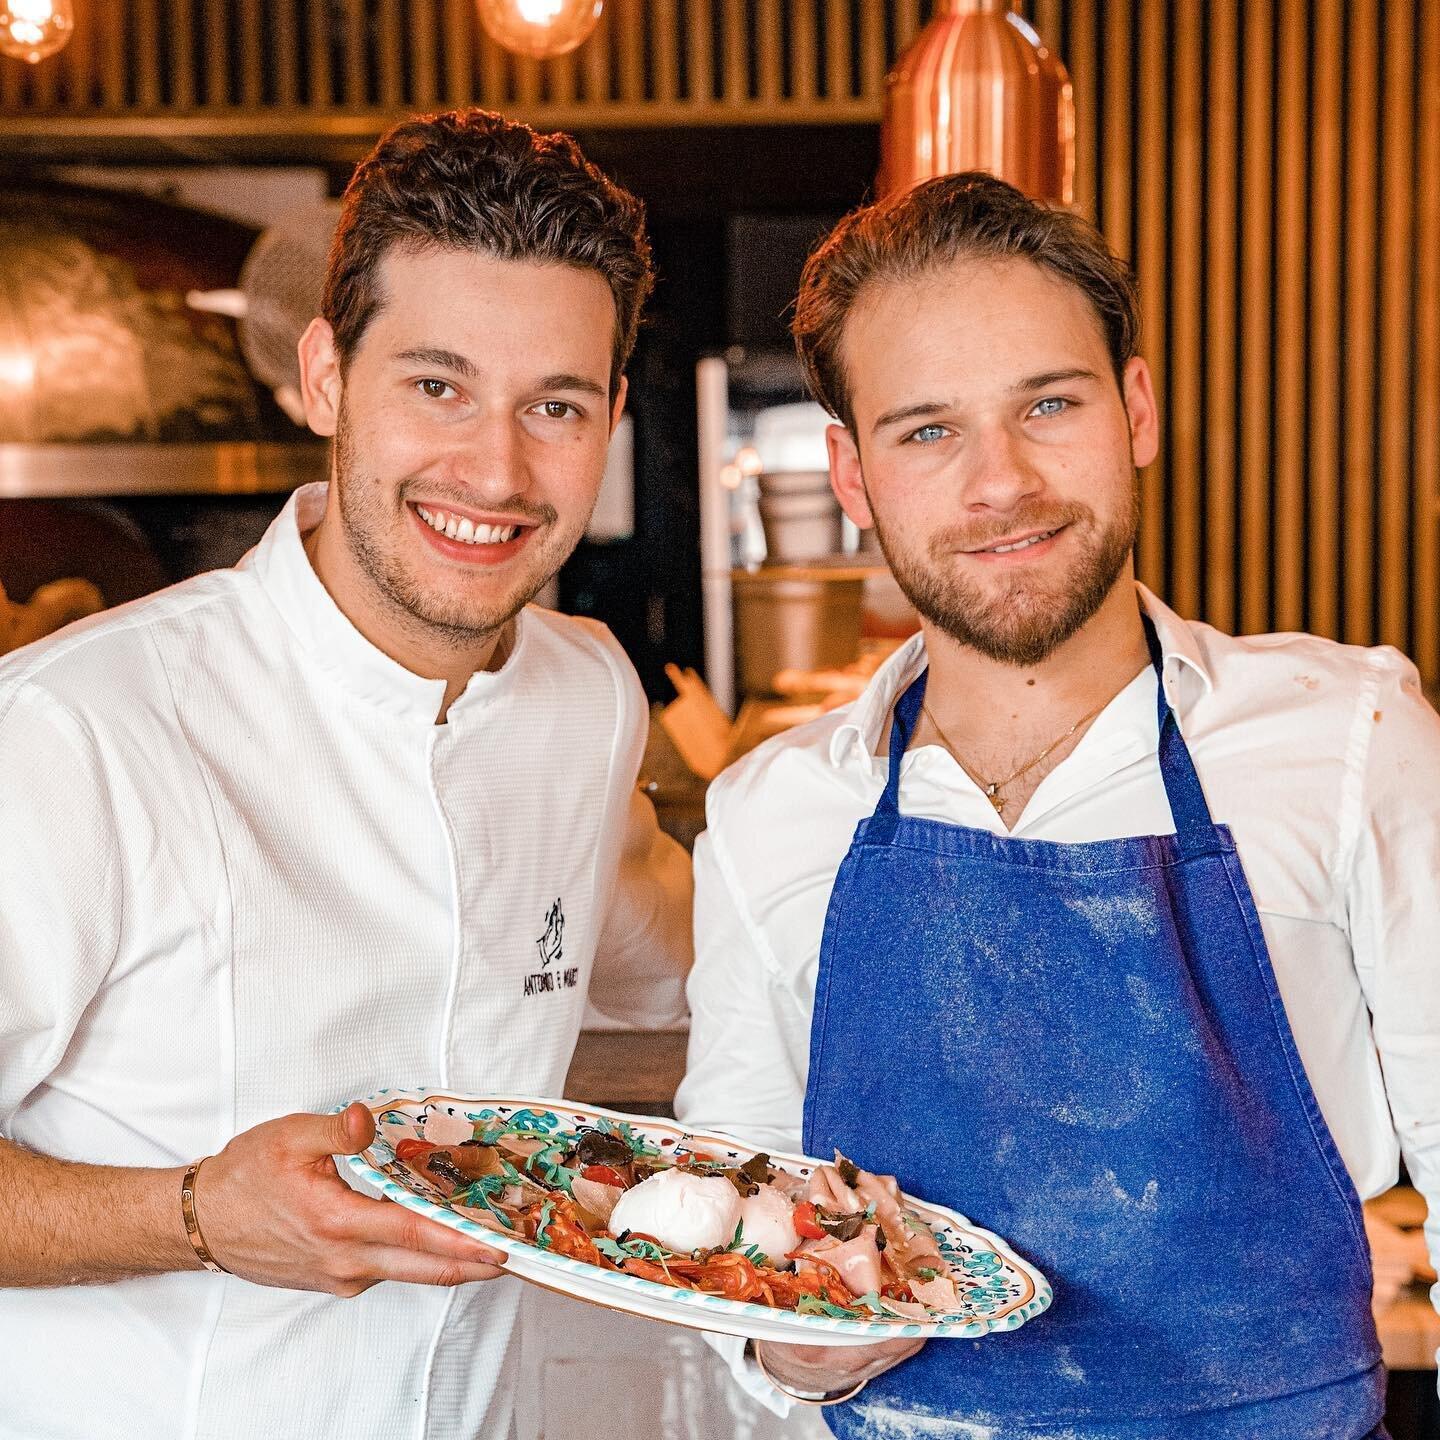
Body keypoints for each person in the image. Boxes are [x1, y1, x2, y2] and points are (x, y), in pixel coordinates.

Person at [675, 171, 1440, 1438]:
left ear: (1136, 407)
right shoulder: (772, 818)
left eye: (1049, 403)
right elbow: (740, 1254)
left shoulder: (1349, 741)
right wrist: (818, 1337)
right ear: (853, 475)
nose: (1002, 481)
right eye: (927, 430)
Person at [0, 108, 692, 1439]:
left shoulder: (587, 693)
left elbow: (675, 945)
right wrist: (195, 1216)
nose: (494, 469)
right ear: (324, 378)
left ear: (608, 418)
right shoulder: (75, 732)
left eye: (553, 404)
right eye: (436, 384)